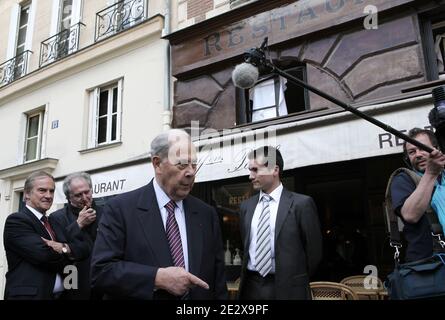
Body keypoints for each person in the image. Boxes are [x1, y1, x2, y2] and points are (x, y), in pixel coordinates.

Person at [91, 129, 228, 299]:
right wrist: (157, 278)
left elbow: (218, 279)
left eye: (194, 164)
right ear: (157, 164)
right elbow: (101, 271)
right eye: (182, 164)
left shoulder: (206, 213)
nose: (191, 172)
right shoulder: (120, 209)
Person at [238, 146, 323, 300]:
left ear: (274, 170)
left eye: (255, 170)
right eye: (250, 170)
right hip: (251, 288)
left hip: (290, 289)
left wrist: (294, 277)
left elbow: (314, 252)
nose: (250, 176)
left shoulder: (301, 204)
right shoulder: (246, 207)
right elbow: (245, 244)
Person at [3, 171, 90, 300]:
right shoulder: (17, 220)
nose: (48, 196)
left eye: (52, 191)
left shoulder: (53, 221)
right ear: (27, 194)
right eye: (42, 190)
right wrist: (70, 255)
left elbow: (84, 249)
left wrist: (63, 248)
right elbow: (44, 256)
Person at [390, 127, 445, 262]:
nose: (418, 154)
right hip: (429, 266)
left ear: (436, 149)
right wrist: (431, 174)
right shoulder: (403, 179)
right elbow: (410, 215)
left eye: (422, 148)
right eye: (412, 152)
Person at [50, 172, 102, 299]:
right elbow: (63, 247)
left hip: (102, 279)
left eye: (87, 192)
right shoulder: (57, 217)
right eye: (78, 195)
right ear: (69, 197)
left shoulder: (106, 212)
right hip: (72, 277)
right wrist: (78, 225)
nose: (85, 198)